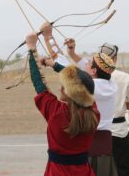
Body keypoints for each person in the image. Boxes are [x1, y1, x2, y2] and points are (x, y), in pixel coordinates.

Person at [40, 22, 117, 176]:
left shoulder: (94, 86)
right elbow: (77, 65)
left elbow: (65, 67)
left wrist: (48, 37)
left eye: (89, 63)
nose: (85, 63)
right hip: (103, 149)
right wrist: (72, 51)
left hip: (89, 149)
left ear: (94, 70)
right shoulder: (110, 84)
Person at [25, 32, 100, 176]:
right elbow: (81, 82)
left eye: (64, 86)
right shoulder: (94, 113)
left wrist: (31, 47)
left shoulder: (56, 112)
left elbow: (38, 83)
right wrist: (51, 63)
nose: (60, 88)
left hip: (57, 172)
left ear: (71, 93)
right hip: (84, 171)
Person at [98, 43, 129, 176]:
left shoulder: (92, 76)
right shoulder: (124, 77)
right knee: (123, 169)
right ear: (115, 58)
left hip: (98, 130)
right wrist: (123, 104)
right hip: (119, 131)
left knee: (100, 168)